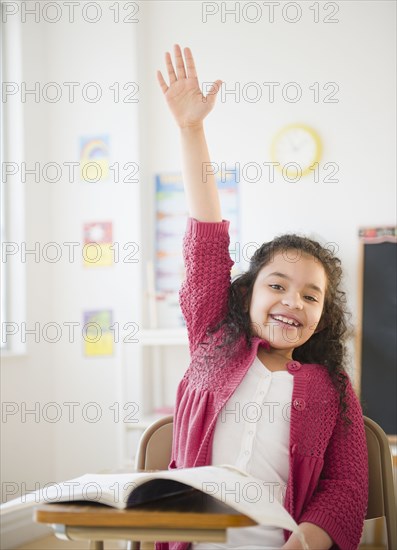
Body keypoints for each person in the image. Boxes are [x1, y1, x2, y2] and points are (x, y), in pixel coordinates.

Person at [155, 44, 368, 550]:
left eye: (311, 296)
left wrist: (304, 542)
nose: (293, 301)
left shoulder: (332, 388)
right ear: (247, 295)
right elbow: (206, 240)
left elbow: (347, 487)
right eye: (277, 286)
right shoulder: (212, 342)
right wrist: (191, 130)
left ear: (323, 316)